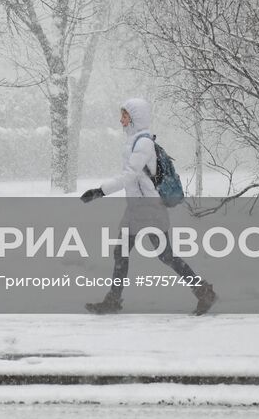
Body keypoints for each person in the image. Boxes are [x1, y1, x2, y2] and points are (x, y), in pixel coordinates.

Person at [79, 97, 217, 315]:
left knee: (162, 255)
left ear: (135, 118)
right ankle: (114, 299)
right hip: (137, 208)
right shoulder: (136, 141)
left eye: (124, 115)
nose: (121, 120)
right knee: (128, 253)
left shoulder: (142, 143)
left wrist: (100, 191)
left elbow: (130, 174)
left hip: (149, 209)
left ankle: (203, 292)